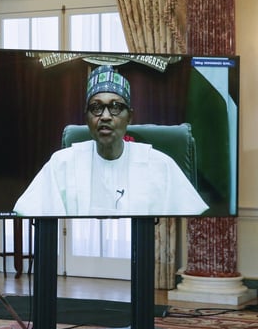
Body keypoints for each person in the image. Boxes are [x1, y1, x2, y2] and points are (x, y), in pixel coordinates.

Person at [14, 65, 208, 217]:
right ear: (86, 117)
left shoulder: (160, 164)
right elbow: (30, 209)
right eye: (96, 108)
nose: (105, 116)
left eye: (115, 107)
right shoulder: (62, 163)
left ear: (130, 117)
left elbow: (190, 213)